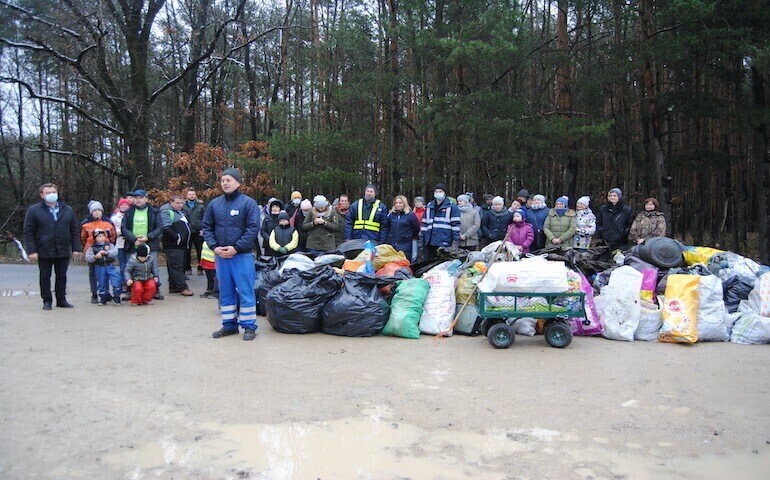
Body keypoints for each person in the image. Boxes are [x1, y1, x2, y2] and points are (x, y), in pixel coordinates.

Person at [202, 168, 261, 340]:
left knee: (245, 291)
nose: (225, 183)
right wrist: (215, 247)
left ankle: (249, 326)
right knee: (225, 291)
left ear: (238, 182)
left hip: (241, 256)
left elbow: (252, 229)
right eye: (222, 180)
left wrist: (236, 247)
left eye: (228, 180)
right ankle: (229, 326)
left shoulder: (248, 203)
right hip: (221, 256)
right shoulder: (214, 204)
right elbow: (207, 227)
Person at [23, 183, 81, 310]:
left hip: (63, 249)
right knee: (45, 276)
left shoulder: (67, 209)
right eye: (48, 193)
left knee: (62, 276)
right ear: (42, 195)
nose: (51, 195)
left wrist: (76, 248)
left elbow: (74, 230)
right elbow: (28, 231)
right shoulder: (34, 210)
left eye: (53, 192)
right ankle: (47, 301)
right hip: (43, 249)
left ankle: (61, 300)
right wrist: (32, 250)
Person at [121, 189, 164, 300]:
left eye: (141, 198)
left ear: (146, 199)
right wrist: (133, 239)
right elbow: (124, 228)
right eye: (136, 198)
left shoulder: (155, 211)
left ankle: (155, 290)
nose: (138, 200)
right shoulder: (128, 212)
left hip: (150, 244)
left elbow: (159, 227)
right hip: (132, 245)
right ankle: (131, 290)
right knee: (131, 268)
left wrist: (148, 237)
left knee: (153, 266)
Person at [81, 201, 117, 304]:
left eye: (98, 210)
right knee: (93, 274)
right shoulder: (85, 224)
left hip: (106, 251)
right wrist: (88, 247)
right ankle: (94, 293)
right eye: (94, 211)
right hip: (92, 250)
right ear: (91, 212)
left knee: (106, 272)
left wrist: (109, 248)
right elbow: (83, 238)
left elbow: (112, 236)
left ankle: (105, 293)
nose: (96, 212)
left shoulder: (108, 223)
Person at [159, 194, 193, 296]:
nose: (180, 205)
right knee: (177, 266)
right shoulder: (166, 211)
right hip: (173, 244)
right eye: (177, 203)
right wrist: (177, 237)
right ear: (171, 202)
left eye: (182, 203)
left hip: (181, 245)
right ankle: (183, 287)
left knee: (173, 265)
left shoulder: (180, 212)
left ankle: (173, 286)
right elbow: (166, 227)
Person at [420, 183, 461, 260]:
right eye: (436, 191)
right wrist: (422, 241)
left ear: (445, 193)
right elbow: (424, 224)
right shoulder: (429, 206)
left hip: (444, 242)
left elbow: (456, 226)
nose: (438, 193)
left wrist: (455, 243)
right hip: (429, 242)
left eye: (440, 191)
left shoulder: (452, 207)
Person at [85, 229, 122, 305]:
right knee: (102, 283)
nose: (101, 238)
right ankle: (103, 297)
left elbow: (115, 252)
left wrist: (107, 253)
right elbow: (88, 258)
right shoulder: (92, 247)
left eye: (103, 236)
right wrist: (95, 256)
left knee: (116, 279)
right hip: (99, 267)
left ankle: (117, 295)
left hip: (110, 266)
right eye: (99, 236)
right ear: (95, 238)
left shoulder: (109, 245)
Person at [381, 195, 421, 260]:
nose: (398, 205)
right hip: (392, 246)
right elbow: (386, 229)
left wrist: (408, 236)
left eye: (400, 203)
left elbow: (416, 229)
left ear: (404, 204)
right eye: (396, 203)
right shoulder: (390, 216)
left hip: (405, 246)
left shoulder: (410, 215)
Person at [596, 188, 634, 252]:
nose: (612, 197)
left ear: (619, 197)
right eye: (610, 196)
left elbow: (630, 224)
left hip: (621, 241)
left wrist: (624, 232)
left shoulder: (626, 210)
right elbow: (598, 222)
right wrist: (601, 231)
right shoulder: (603, 209)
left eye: (614, 195)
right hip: (605, 240)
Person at [182, 188, 206, 276]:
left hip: (198, 231)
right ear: (186, 196)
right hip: (187, 231)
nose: (191, 196)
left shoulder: (201, 206)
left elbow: (205, 218)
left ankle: (200, 268)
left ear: (195, 196)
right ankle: (188, 268)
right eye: (190, 194)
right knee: (187, 251)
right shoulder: (183, 206)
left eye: (193, 194)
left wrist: (203, 230)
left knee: (200, 251)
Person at [110, 198, 132, 285]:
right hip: (120, 243)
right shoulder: (114, 218)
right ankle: (123, 282)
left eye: (126, 205)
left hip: (130, 243)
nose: (124, 207)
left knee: (131, 264)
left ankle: (130, 282)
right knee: (123, 265)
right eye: (122, 205)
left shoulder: (131, 216)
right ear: (119, 206)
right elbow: (113, 231)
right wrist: (122, 232)